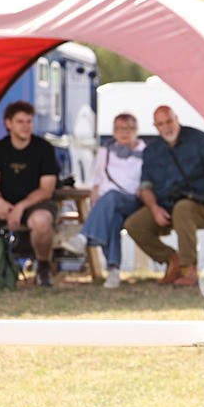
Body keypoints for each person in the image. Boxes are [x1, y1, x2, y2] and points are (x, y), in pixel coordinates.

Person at [123, 105, 204, 286]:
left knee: (183, 208)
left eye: (169, 121)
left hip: (202, 205)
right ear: (155, 126)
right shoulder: (152, 151)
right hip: (166, 206)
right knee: (134, 225)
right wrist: (155, 208)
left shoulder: (199, 140)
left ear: (177, 119)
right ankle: (171, 260)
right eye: (161, 124)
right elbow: (145, 187)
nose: (166, 127)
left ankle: (188, 269)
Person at [0, 101, 60, 287]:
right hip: (4, 204)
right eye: (20, 122)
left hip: (35, 204)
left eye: (28, 121)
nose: (26, 126)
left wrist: (20, 207)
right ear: (8, 123)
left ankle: (42, 267)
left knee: (41, 222)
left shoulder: (43, 149)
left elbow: (46, 190)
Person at [81, 113, 145, 289]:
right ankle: (113, 270)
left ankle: (84, 236)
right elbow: (98, 177)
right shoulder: (106, 150)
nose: (124, 133)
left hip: (133, 201)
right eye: (119, 129)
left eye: (128, 128)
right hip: (109, 203)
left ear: (136, 130)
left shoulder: (145, 152)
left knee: (111, 196)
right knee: (113, 218)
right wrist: (95, 190)